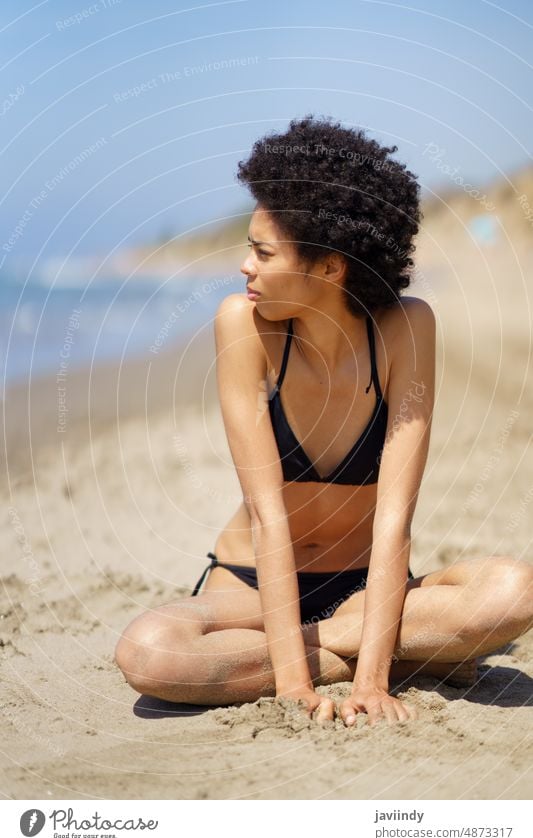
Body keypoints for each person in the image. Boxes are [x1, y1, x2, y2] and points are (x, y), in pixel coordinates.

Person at [115, 115, 533, 727]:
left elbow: (395, 523)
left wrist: (370, 681)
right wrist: (293, 685)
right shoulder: (244, 327)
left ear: (330, 268)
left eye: (262, 252)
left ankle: (359, 645)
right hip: (251, 587)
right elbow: (267, 514)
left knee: (514, 592)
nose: (244, 267)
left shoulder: (406, 328)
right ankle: (397, 647)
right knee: (150, 655)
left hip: (365, 588)